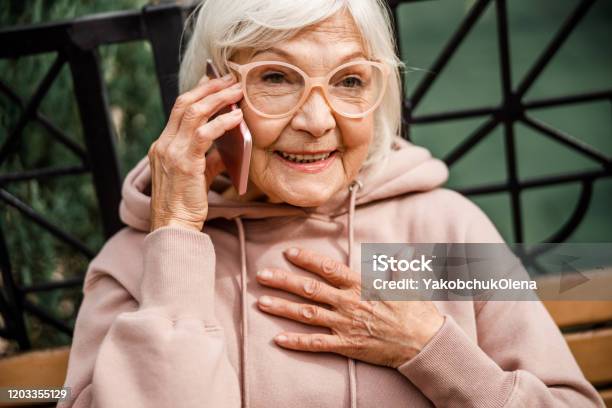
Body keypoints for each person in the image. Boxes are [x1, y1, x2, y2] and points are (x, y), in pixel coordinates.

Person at [59, 0, 604, 407]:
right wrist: (176, 236)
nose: (318, 121)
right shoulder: (138, 265)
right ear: (212, 95)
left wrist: (432, 349)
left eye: (348, 80)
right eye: (276, 78)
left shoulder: (443, 228)